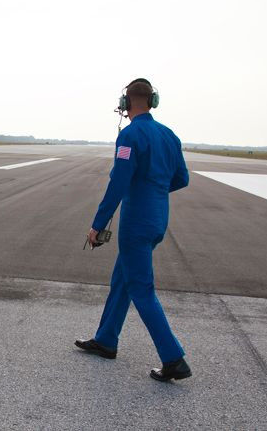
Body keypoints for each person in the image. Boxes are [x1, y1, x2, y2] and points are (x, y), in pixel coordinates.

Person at [75, 78, 191, 382]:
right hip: (157, 220)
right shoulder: (169, 135)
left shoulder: (130, 136)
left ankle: (173, 358)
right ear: (153, 101)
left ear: (126, 103)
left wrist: (97, 224)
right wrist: (154, 188)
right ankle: (106, 340)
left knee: (141, 288)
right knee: (123, 279)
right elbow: (182, 179)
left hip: (136, 223)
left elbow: (119, 182)